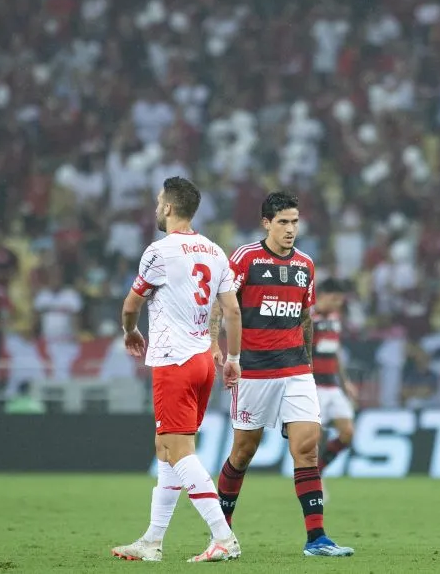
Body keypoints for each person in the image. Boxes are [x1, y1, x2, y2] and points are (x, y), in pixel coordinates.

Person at [212, 191, 354, 558]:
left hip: (295, 370)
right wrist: (217, 346)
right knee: (243, 453)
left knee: (306, 449)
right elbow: (223, 305)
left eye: (294, 221)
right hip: (254, 372)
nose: (291, 229)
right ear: (266, 223)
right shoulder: (245, 258)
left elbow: (305, 317)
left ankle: (317, 538)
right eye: (283, 222)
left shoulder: (306, 264)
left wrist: (305, 362)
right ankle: (222, 535)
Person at [112, 177, 243, 563]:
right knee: (165, 449)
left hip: (174, 361)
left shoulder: (159, 252)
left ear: (169, 207)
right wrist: (232, 358)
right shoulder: (216, 252)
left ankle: (224, 537)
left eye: (158, 202)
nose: (156, 208)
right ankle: (152, 541)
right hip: (204, 360)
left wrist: (130, 331)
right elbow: (233, 311)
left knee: (180, 451)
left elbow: (130, 305)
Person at [309, 278, 358, 473]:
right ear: (323, 296)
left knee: (347, 433)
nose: (338, 304)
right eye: (335, 299)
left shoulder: (335, 318)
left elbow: (334, 350)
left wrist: (345, 383)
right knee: (315, 438)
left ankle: (317, 472)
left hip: (332, 384)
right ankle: (310, 482)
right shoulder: (308, 317)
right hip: (313, 385)